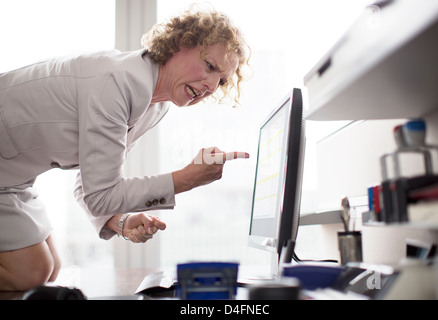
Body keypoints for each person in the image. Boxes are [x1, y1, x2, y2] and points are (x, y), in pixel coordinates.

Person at [0, 6, 250, 291]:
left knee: (51, 267)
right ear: (181, 44)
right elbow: (100, 195)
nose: (210, 85)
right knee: (33, 272)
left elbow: (91, 184)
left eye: (221, 81)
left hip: (13, 179)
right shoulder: (118, 82)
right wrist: (186, 179)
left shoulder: (155, 106)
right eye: (210, 66)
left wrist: (119, 221)